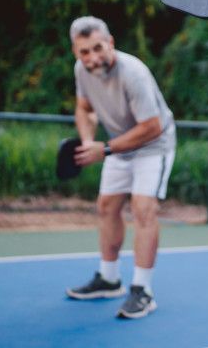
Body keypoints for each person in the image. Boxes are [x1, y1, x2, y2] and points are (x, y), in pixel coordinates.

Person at [64, 16, 176, 320]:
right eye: (84, 52)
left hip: (154, 145)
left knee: (143, 208)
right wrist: (88, 141)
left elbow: (151, 127)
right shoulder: (82, 71)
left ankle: (142, 291)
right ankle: (109, 278)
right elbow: (84, 108)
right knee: (106, 206)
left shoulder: (133, 73)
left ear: (110, 43)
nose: (92, 57)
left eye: (97, 48)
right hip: (116, 145)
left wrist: (105, 150)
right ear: (76, 52)